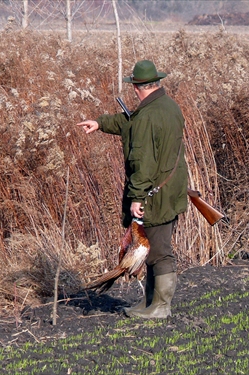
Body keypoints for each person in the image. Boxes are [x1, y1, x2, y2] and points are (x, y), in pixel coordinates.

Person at [76, 60, 188, 319]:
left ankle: (160, 307)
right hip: (170, 189)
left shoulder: (148, 115)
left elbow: (143, 161)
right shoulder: (168, 107)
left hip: (154, 193)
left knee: (159, 250)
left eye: (134, 86)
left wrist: (136, 197)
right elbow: (131, 124)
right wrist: (101, 123)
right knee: (151, 248)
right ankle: (149, 304)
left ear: (138, 87)